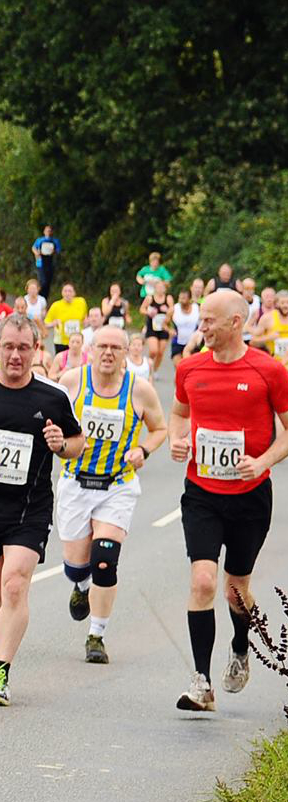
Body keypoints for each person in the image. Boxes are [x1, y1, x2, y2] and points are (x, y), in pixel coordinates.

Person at [167, 290, 288, 711]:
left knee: (236, 591)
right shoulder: (189, 368)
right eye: (200, 320)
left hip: (251, 496)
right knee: (202, 580)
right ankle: (201, 683)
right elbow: (180, 414)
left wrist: (264, 460)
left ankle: (240, 646)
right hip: (201, 492)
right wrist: (177, 440)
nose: (202, 328)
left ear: (237, 322)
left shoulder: (268, 371)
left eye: (209, 322)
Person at [0, 314, 84, 705]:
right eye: (9, 347)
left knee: (15, 584)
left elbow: (77, 441)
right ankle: (1, 627)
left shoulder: (52, 397)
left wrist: (60, 444)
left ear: (36, 350)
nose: (15, 355)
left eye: (24, 348)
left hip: (29, 510)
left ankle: (0, 675)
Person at [56, 325, 169, 663]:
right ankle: (81, 586)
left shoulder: (140, 390)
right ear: (91, 349)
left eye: (115, 348)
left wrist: (144, 451)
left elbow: (160, 428)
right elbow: (49, 418)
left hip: (116, 485)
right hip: (76, 482)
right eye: (102, 346)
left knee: (105, 558)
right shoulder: (72, 382)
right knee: (77, 567)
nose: (108, 353)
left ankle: (96, 635)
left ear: (125, 354)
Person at [141, 280, 173, 373]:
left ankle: (154, 370)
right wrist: (148, 312)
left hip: (164, 327)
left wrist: (167, 311)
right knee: (154, 350)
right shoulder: (150, 298)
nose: (160, 289)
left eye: (162, 287)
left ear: (165, 289)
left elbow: (172, 310)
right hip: (152, 327)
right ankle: (147, 367)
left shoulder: (168, 298)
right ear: (155, 288)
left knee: (160, 352)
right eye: (158, 287)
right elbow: (142, 309)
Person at [44, 283, 85, 356]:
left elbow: (85, 317)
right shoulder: (56, 305)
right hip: (61, 341)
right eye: (65, 291)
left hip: (76, 340)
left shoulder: (81, 302)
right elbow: (46, 323)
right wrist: (53, 323)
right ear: (62, 293)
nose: (67, 293)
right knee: (62, 363)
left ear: (74, 293)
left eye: (70, 291)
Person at [172, 288, 203, 361]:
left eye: (183, 298)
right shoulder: (174, 309)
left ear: (189, 299)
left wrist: (200, 333)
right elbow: (165, 322)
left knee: (190, 366)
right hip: (178, 341)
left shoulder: (197, 308)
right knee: (179, 366)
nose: (181, 300)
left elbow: (204, 321)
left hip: (193, 342)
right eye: (180, 298)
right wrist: (170, 330)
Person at [31, 226, 60, 298]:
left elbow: (58, 251)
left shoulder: (55, 241)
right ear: (44, 231)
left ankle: (44, 300)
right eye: (47, 230)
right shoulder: (39, 240)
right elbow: (34, 248)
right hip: (41, 263)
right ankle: (38, 297)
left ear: (52, 232)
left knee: (48, 283)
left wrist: (54, 251)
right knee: (42, 282)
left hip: (50, 264)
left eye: (50, 231)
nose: (48, 232)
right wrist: (37, 253)